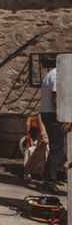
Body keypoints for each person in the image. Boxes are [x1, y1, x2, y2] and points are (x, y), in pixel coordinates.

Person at [37, 56, 70, 195]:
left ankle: (49, 178)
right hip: (54, 115)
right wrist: (65, 117)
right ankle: (48, 182)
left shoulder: (53, 73)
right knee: (58, 150)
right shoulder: (58, 75)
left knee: (61, 149)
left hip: (52, 114)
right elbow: (56, 98)